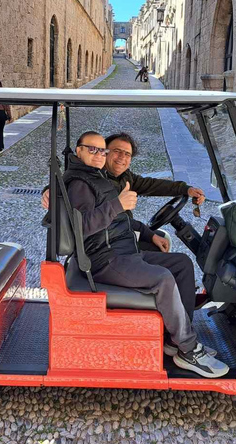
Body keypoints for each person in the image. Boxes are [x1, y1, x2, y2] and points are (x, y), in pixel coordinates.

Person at [63, 131, 228, 378]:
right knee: (162, 278)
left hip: (124, 250)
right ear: (80, 151)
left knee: (181, 264)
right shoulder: (83, 181)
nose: (115, 157)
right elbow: (82, 226)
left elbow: (148, 187)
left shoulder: (96, 175)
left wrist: (183, 191)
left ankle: (175, 340)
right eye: (108, 151)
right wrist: (118, 204)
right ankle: (189, 348)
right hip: (105, 258)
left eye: (124, 154)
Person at [42, 132, 206, 319]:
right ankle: (169, 319)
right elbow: (73, 184)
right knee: (163, 265)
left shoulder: (123, 177)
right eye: (116, 151)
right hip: (108, 249)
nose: (122, 158)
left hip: (121, 237)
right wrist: (50, 190)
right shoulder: (93, 177)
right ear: (106, 153)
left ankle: (180, 318)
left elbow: (152, 185)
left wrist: (184, 189)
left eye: (127, 154)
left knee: (179, 260)